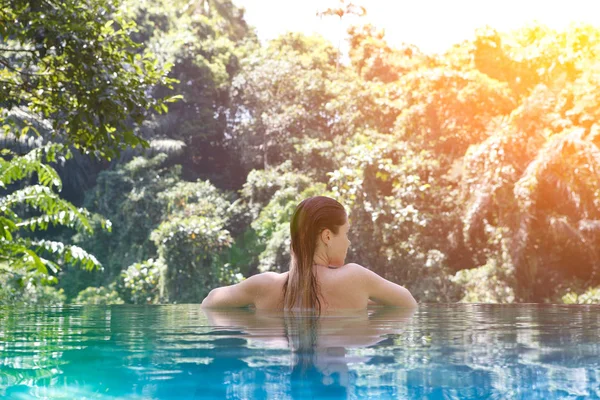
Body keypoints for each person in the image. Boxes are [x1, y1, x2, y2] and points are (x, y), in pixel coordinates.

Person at [201, 195, 418, 312]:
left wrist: (249, 317)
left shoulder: (265, 285)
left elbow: (210, 302)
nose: (348, 242)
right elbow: (408, 303)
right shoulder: (355, 278)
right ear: (327, 236)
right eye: (346, 233)